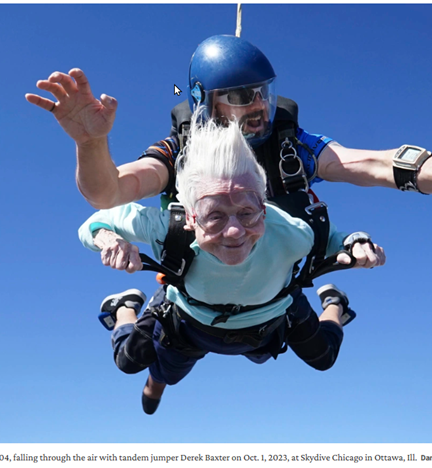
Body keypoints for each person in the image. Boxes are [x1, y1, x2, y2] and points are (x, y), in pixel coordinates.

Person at [25, 34, 432, 211]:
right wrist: (92, 145)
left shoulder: (294, 146)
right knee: (168, 354)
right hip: (196, 290)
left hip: (271, 292)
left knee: (312, 351)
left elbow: (380, 165)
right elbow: (109, 192)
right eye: (237, 98)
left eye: (261, 94)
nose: (256, 108)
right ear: (203, 104)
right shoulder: (181, 148)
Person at [78, 114, 386, 414]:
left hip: (270, 319)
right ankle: (125, 308)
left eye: (248, 212)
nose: (235, 231)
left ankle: (335, 305)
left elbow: (331, 237)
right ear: (189, 217)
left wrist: (357, 243)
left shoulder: (292, 231)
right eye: (215, 216)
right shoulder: (167, 228)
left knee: (324, 357)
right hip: (189, 321)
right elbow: (95, 222)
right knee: (132, 363)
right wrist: (110, 240)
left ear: (264, 209)